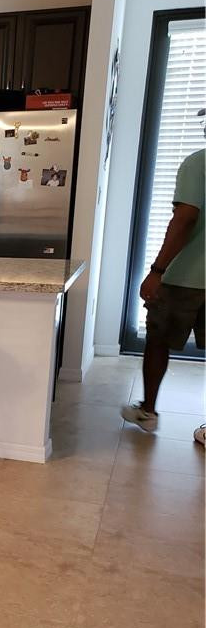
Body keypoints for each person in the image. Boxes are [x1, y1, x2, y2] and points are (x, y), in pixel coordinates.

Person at [122, 109, 205, 444]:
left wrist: (156, 272)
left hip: (186, 277)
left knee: (158, 340)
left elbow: (185, 218)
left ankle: (148, 411)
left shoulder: (198, 163)